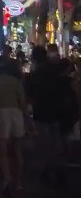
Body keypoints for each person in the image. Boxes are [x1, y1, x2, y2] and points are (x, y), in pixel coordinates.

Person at [26, 45, 72, 186]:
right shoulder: (54, 70)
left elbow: (30, 94)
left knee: (44, 143)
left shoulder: (34, 75)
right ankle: (58, 170)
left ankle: (47, 169)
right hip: (56, 111)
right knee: (56, 141)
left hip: (41, 112)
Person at [0, 54, 28, 195]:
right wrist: (27, 118)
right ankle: (19, 182)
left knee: (2, 150)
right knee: (17, 150)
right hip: (16, 113)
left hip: (1, 112)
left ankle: (7, 179)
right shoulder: (15, 81)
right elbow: (22, 101)